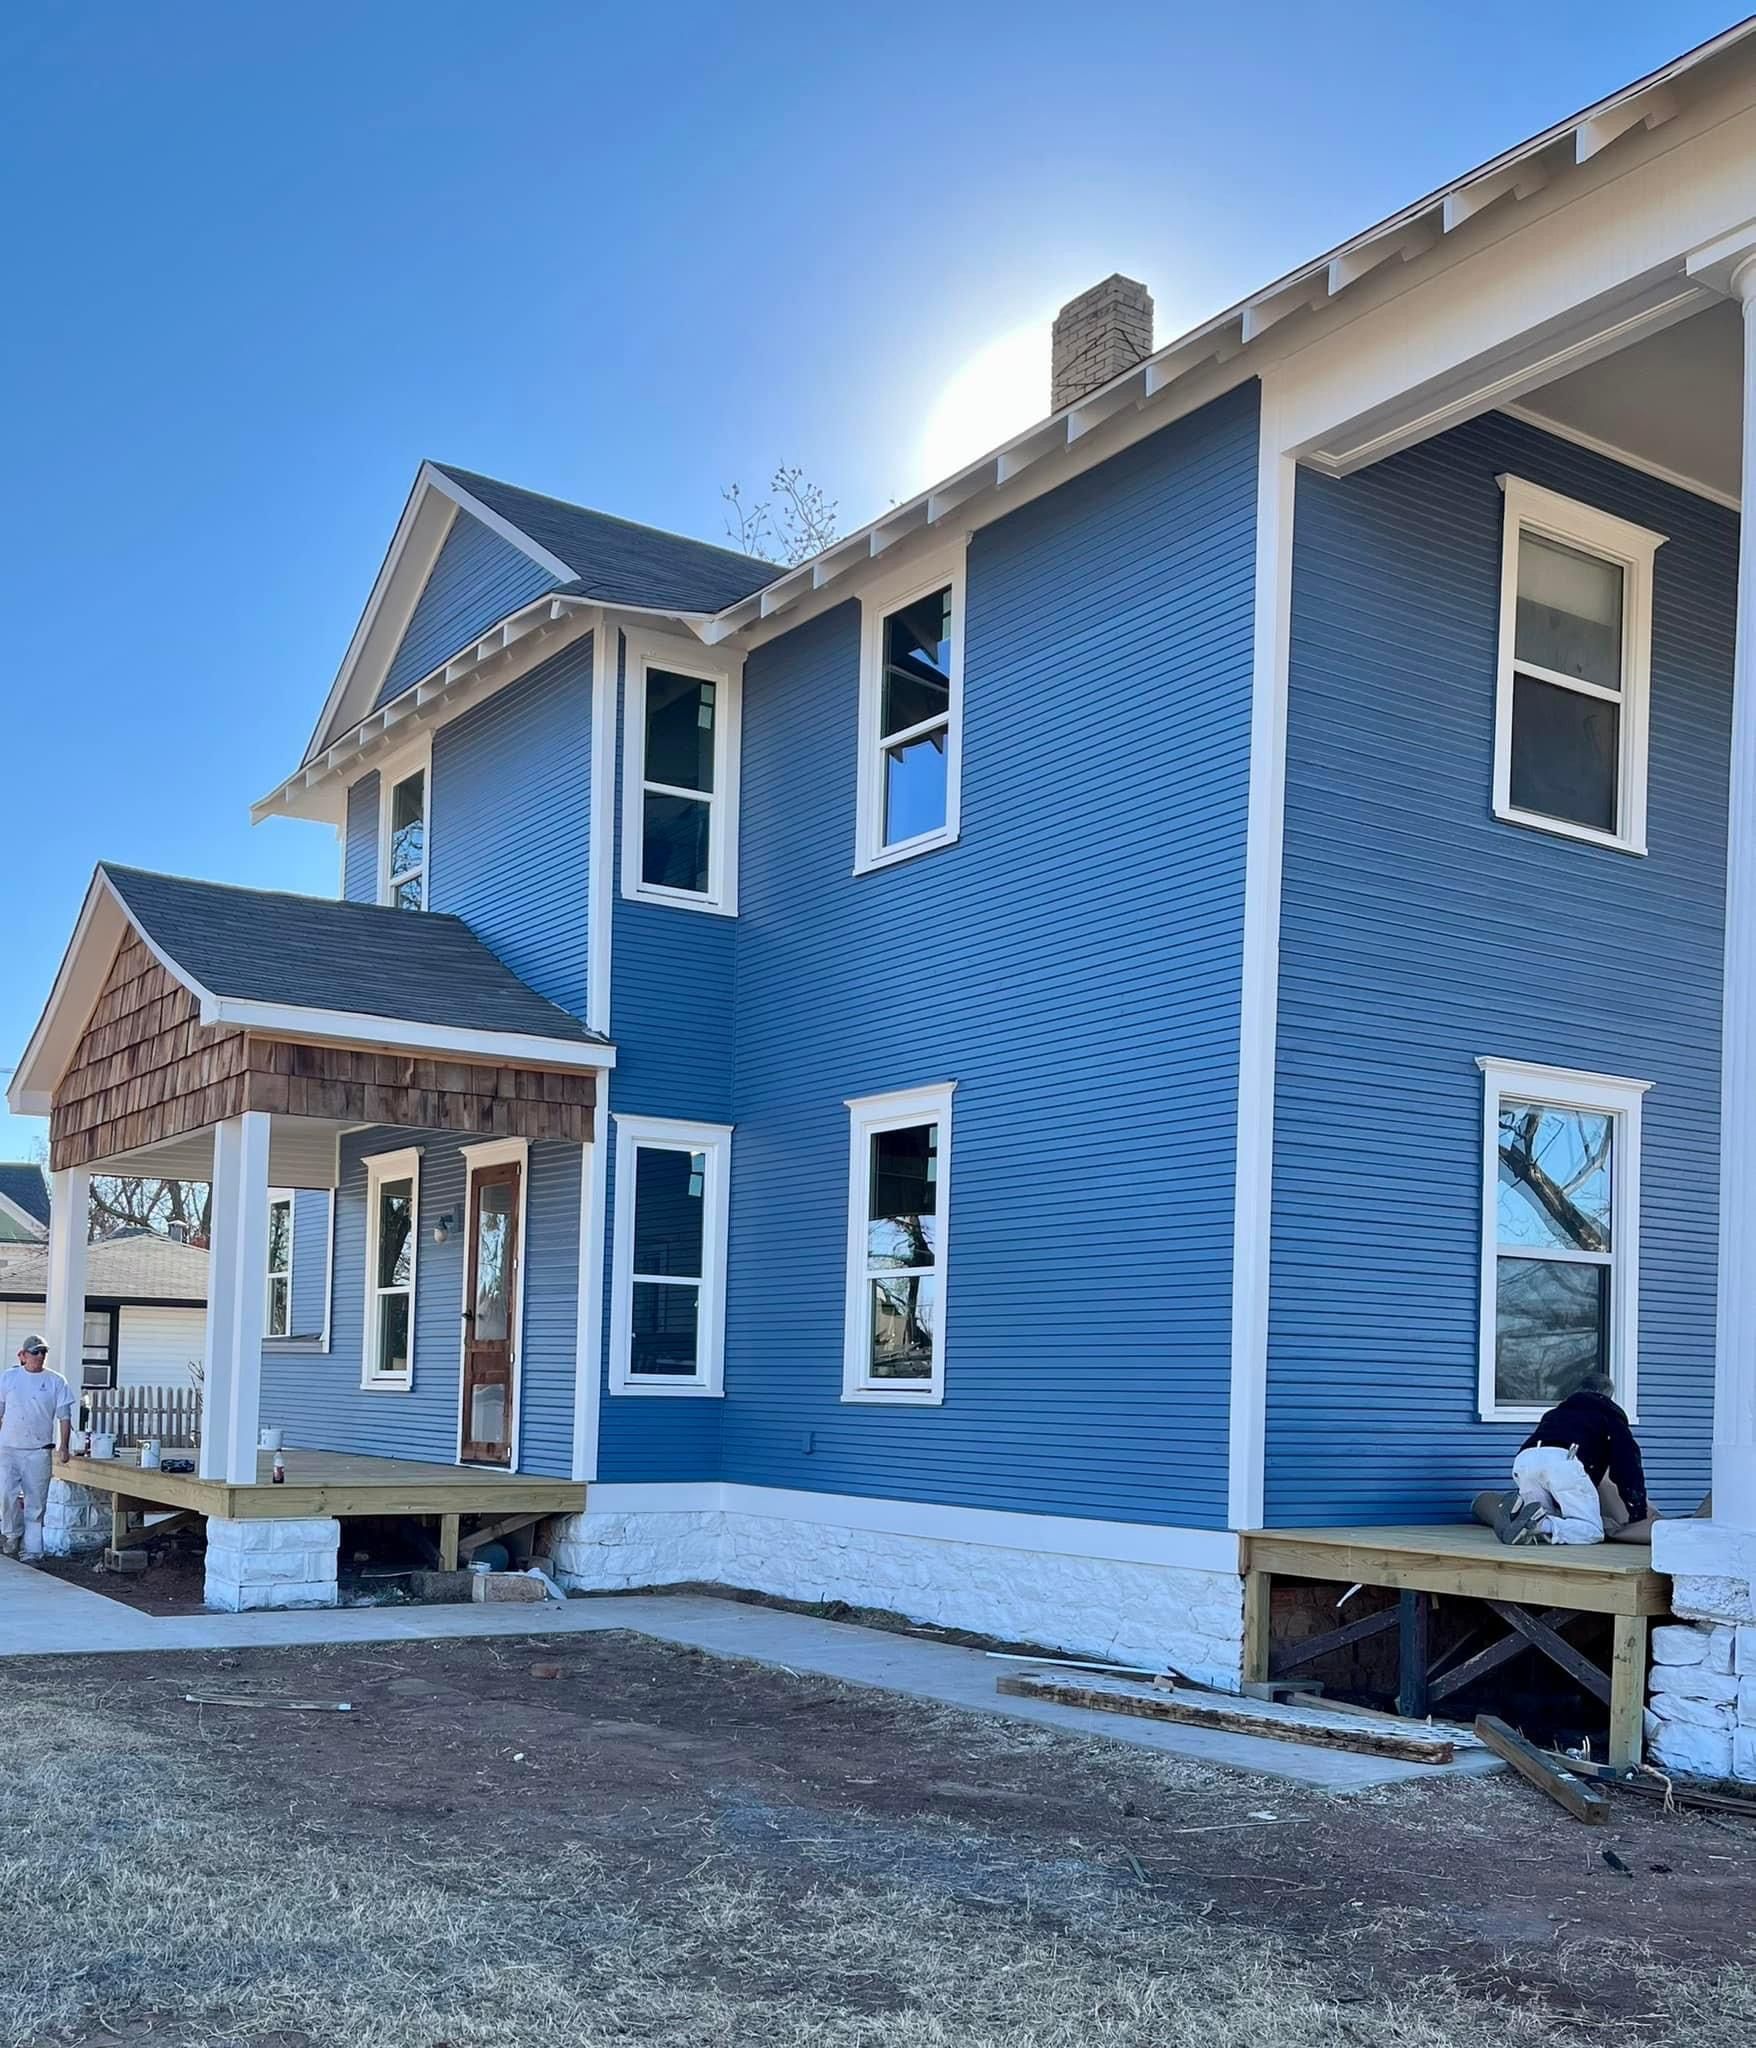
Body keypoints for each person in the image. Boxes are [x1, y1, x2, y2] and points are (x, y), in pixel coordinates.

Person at [1480, 1369, 1649, 1547]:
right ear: (1608, 1395)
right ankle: (1540, 1524)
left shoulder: (1555, 1413)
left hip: (1525, 1460)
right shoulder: (1609, 1414)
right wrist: (1637, 1512)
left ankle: (1522, 1521)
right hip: (1563, 1461)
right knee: (1591, 1530)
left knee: (1540, 1516)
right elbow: (1627, 1465)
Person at [0, 1334, 75, 1564]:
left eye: (43, 1352)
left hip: (39, 1450)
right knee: (6, 1496)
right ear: (22, 1355)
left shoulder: (56, 1381)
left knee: (36, 1502)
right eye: (35, 1352)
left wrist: (64, 1446)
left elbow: (64, 1416)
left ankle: (33, 1549)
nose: (40, 1356)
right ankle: (11, 1535)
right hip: (9, 1448)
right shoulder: (9, 1377)